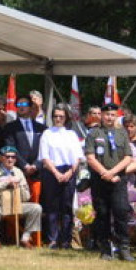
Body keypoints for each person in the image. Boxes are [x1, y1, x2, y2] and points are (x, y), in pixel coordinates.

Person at [85, 102, 134, 261]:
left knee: (121, 212)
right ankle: (105, 249)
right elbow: (90, 157)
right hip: (99, 180)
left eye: (112, 115)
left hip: (118, 179)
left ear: (116, 116)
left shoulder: (122, 133)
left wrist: (112, 172)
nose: (109, 117)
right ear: (101, 115)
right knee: (102, 214)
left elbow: (128, 157)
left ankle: (124, 248)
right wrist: (104, 173)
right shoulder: (94, 133)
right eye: (106, 114)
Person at [38, 104, 84, 248]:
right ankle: (52, 239)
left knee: (67, 207)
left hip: (69, 170)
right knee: (52, 208)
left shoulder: (71, 134)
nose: (58, 119)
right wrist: (56, 173)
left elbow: (77, 157)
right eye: (55, 116)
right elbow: (44, 157)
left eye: (61, 116)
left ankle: (66, 240)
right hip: (52, 171)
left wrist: (70, 172)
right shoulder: (47, 133)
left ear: (66, 118)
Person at [0, 146, 43, 248]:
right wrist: (5, 184)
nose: (10, 159)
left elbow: (26, 197)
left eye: (13, 157)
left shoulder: (18, 172)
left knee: (36, 208)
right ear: (1, 158)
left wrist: (19, 187)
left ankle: (25, 238)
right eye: (7, 157)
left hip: (16, 204)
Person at [0, 96, 45, 201]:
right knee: (18, 206)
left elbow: (44, 150)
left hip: (36, 173)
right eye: (19, 105)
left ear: (30, 107)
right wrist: (25, 165)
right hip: (18, 172)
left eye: (24, 104)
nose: (21, 107)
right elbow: (10, 148)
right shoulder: (9, 128)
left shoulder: (41, 128)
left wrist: (35, 165)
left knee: (35, 207)